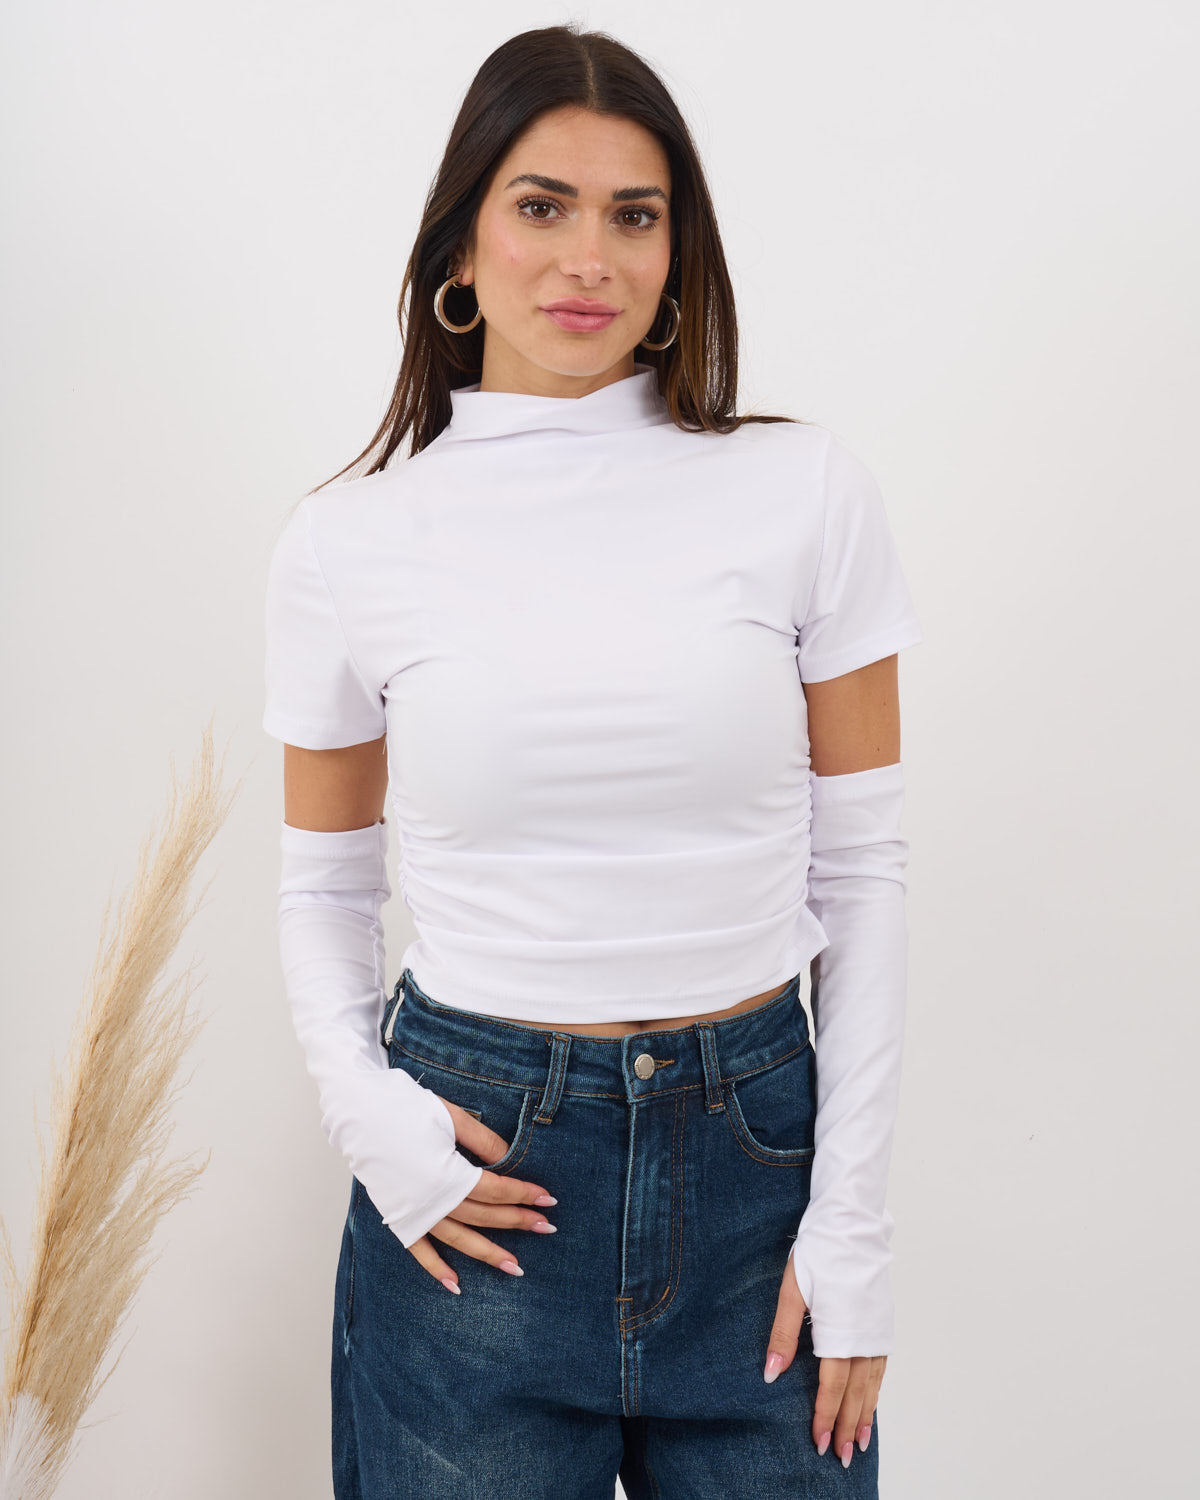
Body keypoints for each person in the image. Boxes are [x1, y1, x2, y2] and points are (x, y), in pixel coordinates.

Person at [264, 24, 922, 1500]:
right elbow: (324, 886)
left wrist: (854, 1225)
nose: (590, 259)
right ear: (461, 243)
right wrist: (371, 1121)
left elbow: (864, 872)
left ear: (679, 254)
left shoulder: (804, 491)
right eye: (541, 205)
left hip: (760, 1177)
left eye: (635, 215)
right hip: (476, 1181)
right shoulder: (349, 541)